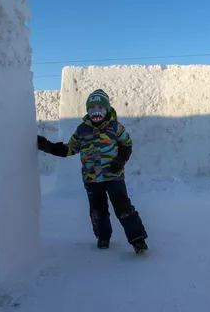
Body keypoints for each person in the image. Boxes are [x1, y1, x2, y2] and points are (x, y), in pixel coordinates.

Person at [37, 89, 149, 254]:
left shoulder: (115, 127)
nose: (96, 110)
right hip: (91, 179)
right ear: (87, 110)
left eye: (100, 106)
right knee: (98, 211)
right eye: (92, 107)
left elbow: (127, 144)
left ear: (107, 109)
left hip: (114, 177)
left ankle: (138, 240)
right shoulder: (82, 130)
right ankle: (103, 237)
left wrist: (120, 161)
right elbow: (69, 149)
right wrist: (49, 146)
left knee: (123, 207)